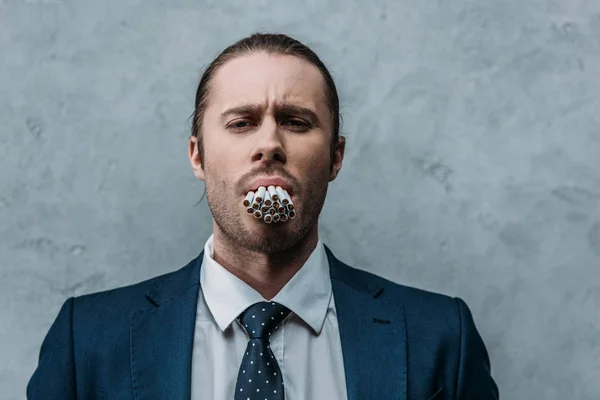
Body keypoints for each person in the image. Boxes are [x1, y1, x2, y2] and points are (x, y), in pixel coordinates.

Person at [27, 32, 499, 399]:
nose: (269, 144)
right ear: (198, 156)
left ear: (335, 157)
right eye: (241, 122)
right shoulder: (86, 340)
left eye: (295, 121)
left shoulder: (440, 337)